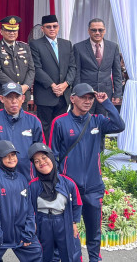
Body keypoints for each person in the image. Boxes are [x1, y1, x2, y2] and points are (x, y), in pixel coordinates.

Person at [50, 83, 125, 262]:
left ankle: (94, 258)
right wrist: (58, 183)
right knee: (66, 228)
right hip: (69, 187)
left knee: (94, 229)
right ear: (72, 98)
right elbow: (53, 155)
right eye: (83, 97)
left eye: (90, 98)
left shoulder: (97, 120)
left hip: (93, 186)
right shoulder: (60, 122)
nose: (88, 101)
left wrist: (106, 103)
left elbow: (119, 125)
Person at [0, 140, 42, 262]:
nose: (11, 159)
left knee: (37, 253)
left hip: (21, 236)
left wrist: (28, 233)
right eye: (6, 156)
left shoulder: (22, 179)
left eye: (13, 155)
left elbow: (30, 209)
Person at [27, 143, 82, 262]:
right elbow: (29, 207)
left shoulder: (68, 183)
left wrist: (74, 222)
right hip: (43, 223)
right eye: (36, 161)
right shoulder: (33, 185)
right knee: (45, 256)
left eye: (44, 158)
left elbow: (77, 203)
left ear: (51, 157)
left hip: (63, 221)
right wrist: (33, 224)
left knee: (70, 253)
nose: (41, 162)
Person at [0, 82, 43, 181]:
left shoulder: (34, 121)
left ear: (23, 98)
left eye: (17, 97)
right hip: (0, 176)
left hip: (26, 175)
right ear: (1, 99)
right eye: (9, 97)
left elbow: (39, 151)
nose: (14, 101)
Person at [29, 14, 76, 145]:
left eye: (54, 26)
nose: (52, 29)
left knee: (60, 126)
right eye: (48, 27)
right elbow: (36, 69)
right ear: (42, 29)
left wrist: (65, 85)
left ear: (58, 27)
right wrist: (53, 85)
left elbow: (72, 67)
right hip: (46, 93)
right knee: (45, 127)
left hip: (63, 94)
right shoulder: (35, 44)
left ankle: (58, 152)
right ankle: (45, 153)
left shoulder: (67, 44)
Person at [0, 16, 35, 113]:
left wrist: (26, 86)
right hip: (2, 95)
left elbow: (31, 69)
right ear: (1, 32)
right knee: (0, 125)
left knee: (22, 125)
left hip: (22, 94)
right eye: (8, 30)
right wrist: (15, 88)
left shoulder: (25, 47)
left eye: (14, 31)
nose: (12, 33)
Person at [74, 18, 123, 113]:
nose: (97, 33)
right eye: (94, 30)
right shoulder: (78, 47)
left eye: (100, 30)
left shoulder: (113, 47)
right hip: (85, 94)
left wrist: (117, 93)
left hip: (105, 93)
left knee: (104, 122)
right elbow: (77, 73)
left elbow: (117, 72)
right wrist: (77, 93)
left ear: (104, 30)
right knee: (85, 123)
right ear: (88, 31)